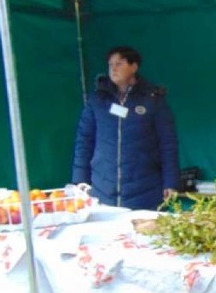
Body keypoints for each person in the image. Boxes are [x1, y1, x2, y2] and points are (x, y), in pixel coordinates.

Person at [72, 46, 180, 210]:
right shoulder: (97, 100)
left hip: (145, 191)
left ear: (134, 67)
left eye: (119, 64)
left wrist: (171, 182)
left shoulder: (153, 100)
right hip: (102, 190)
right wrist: (80, 178)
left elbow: (168, 144)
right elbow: (84, 140)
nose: (113, 69)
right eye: (110, 65)